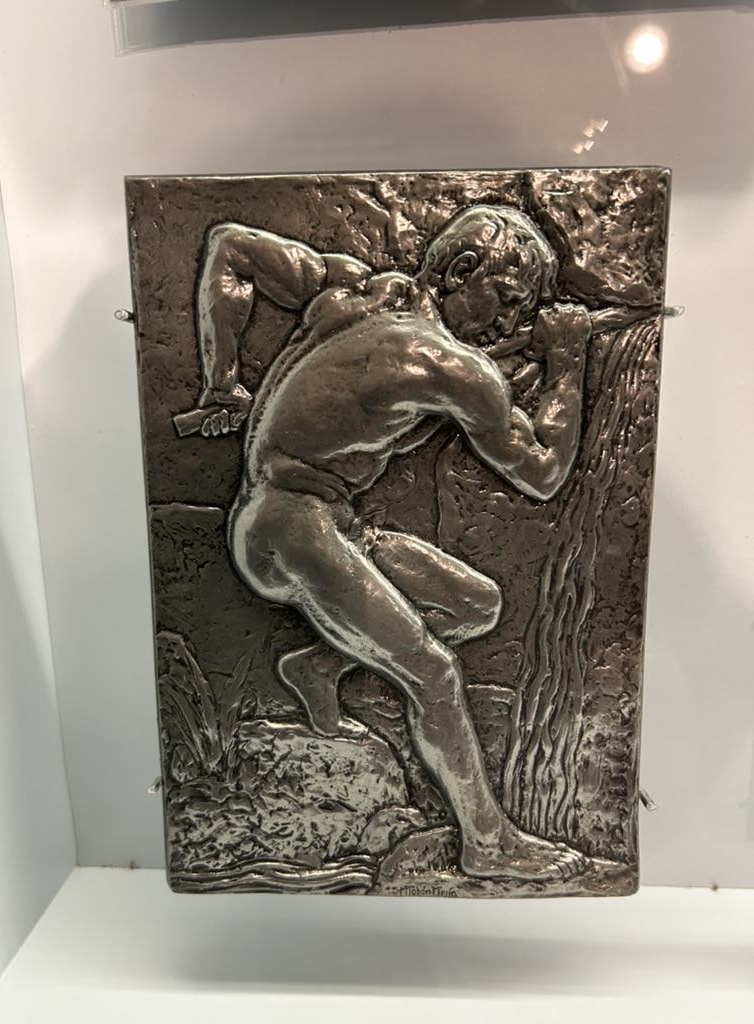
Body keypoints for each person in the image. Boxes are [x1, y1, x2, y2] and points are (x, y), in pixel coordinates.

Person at [192, 205, 592, 881]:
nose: (510, 323)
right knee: (433, 672)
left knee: (476, 604)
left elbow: (232, 246)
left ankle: (320, 667)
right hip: (293, 528)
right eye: (507, 299)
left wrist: (222, 381)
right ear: (462, 270)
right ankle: (489, 844)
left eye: (522, 312)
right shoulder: (451, 368)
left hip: (313, 520)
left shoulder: (356, 288)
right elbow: (544, 471)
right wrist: (569, 360)